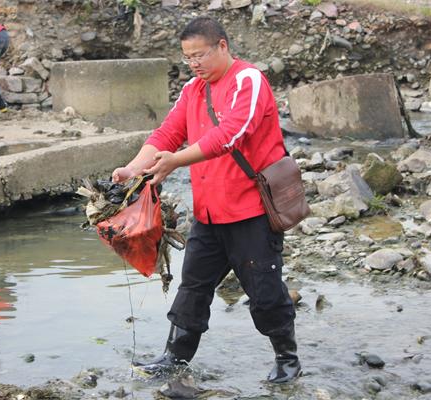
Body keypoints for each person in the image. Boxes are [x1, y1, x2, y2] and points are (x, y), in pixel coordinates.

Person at [112, 16, 300, 384]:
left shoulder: (248, 80)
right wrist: (133, 168)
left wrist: (175, 162)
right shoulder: (194, 89)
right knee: (193, 286)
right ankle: (174, 357)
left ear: (223, 47)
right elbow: (169, 132)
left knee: (265, 291)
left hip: (252, 212)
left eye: (199, 55)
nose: (194, 63)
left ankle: (287, 358)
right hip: (210, 214)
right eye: (187, 57)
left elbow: (230, 135)